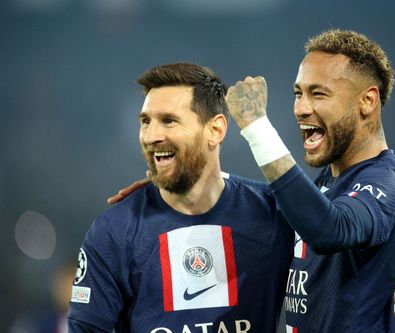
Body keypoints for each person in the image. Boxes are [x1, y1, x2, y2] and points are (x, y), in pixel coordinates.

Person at [224, 28, 395, 332]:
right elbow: (276, 201)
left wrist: (258, 129)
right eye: (298, 93)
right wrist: (184, 183)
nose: (301, 108)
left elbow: (332, 230)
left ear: (367, 101)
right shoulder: (332, 182)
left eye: (318, 93)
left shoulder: (390, 182)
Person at [67, 63, 294, 332]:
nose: (151, 136)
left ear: (216, 130)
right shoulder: (114, 232)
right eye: (145, 122)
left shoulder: (273, 215)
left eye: (169, 121)